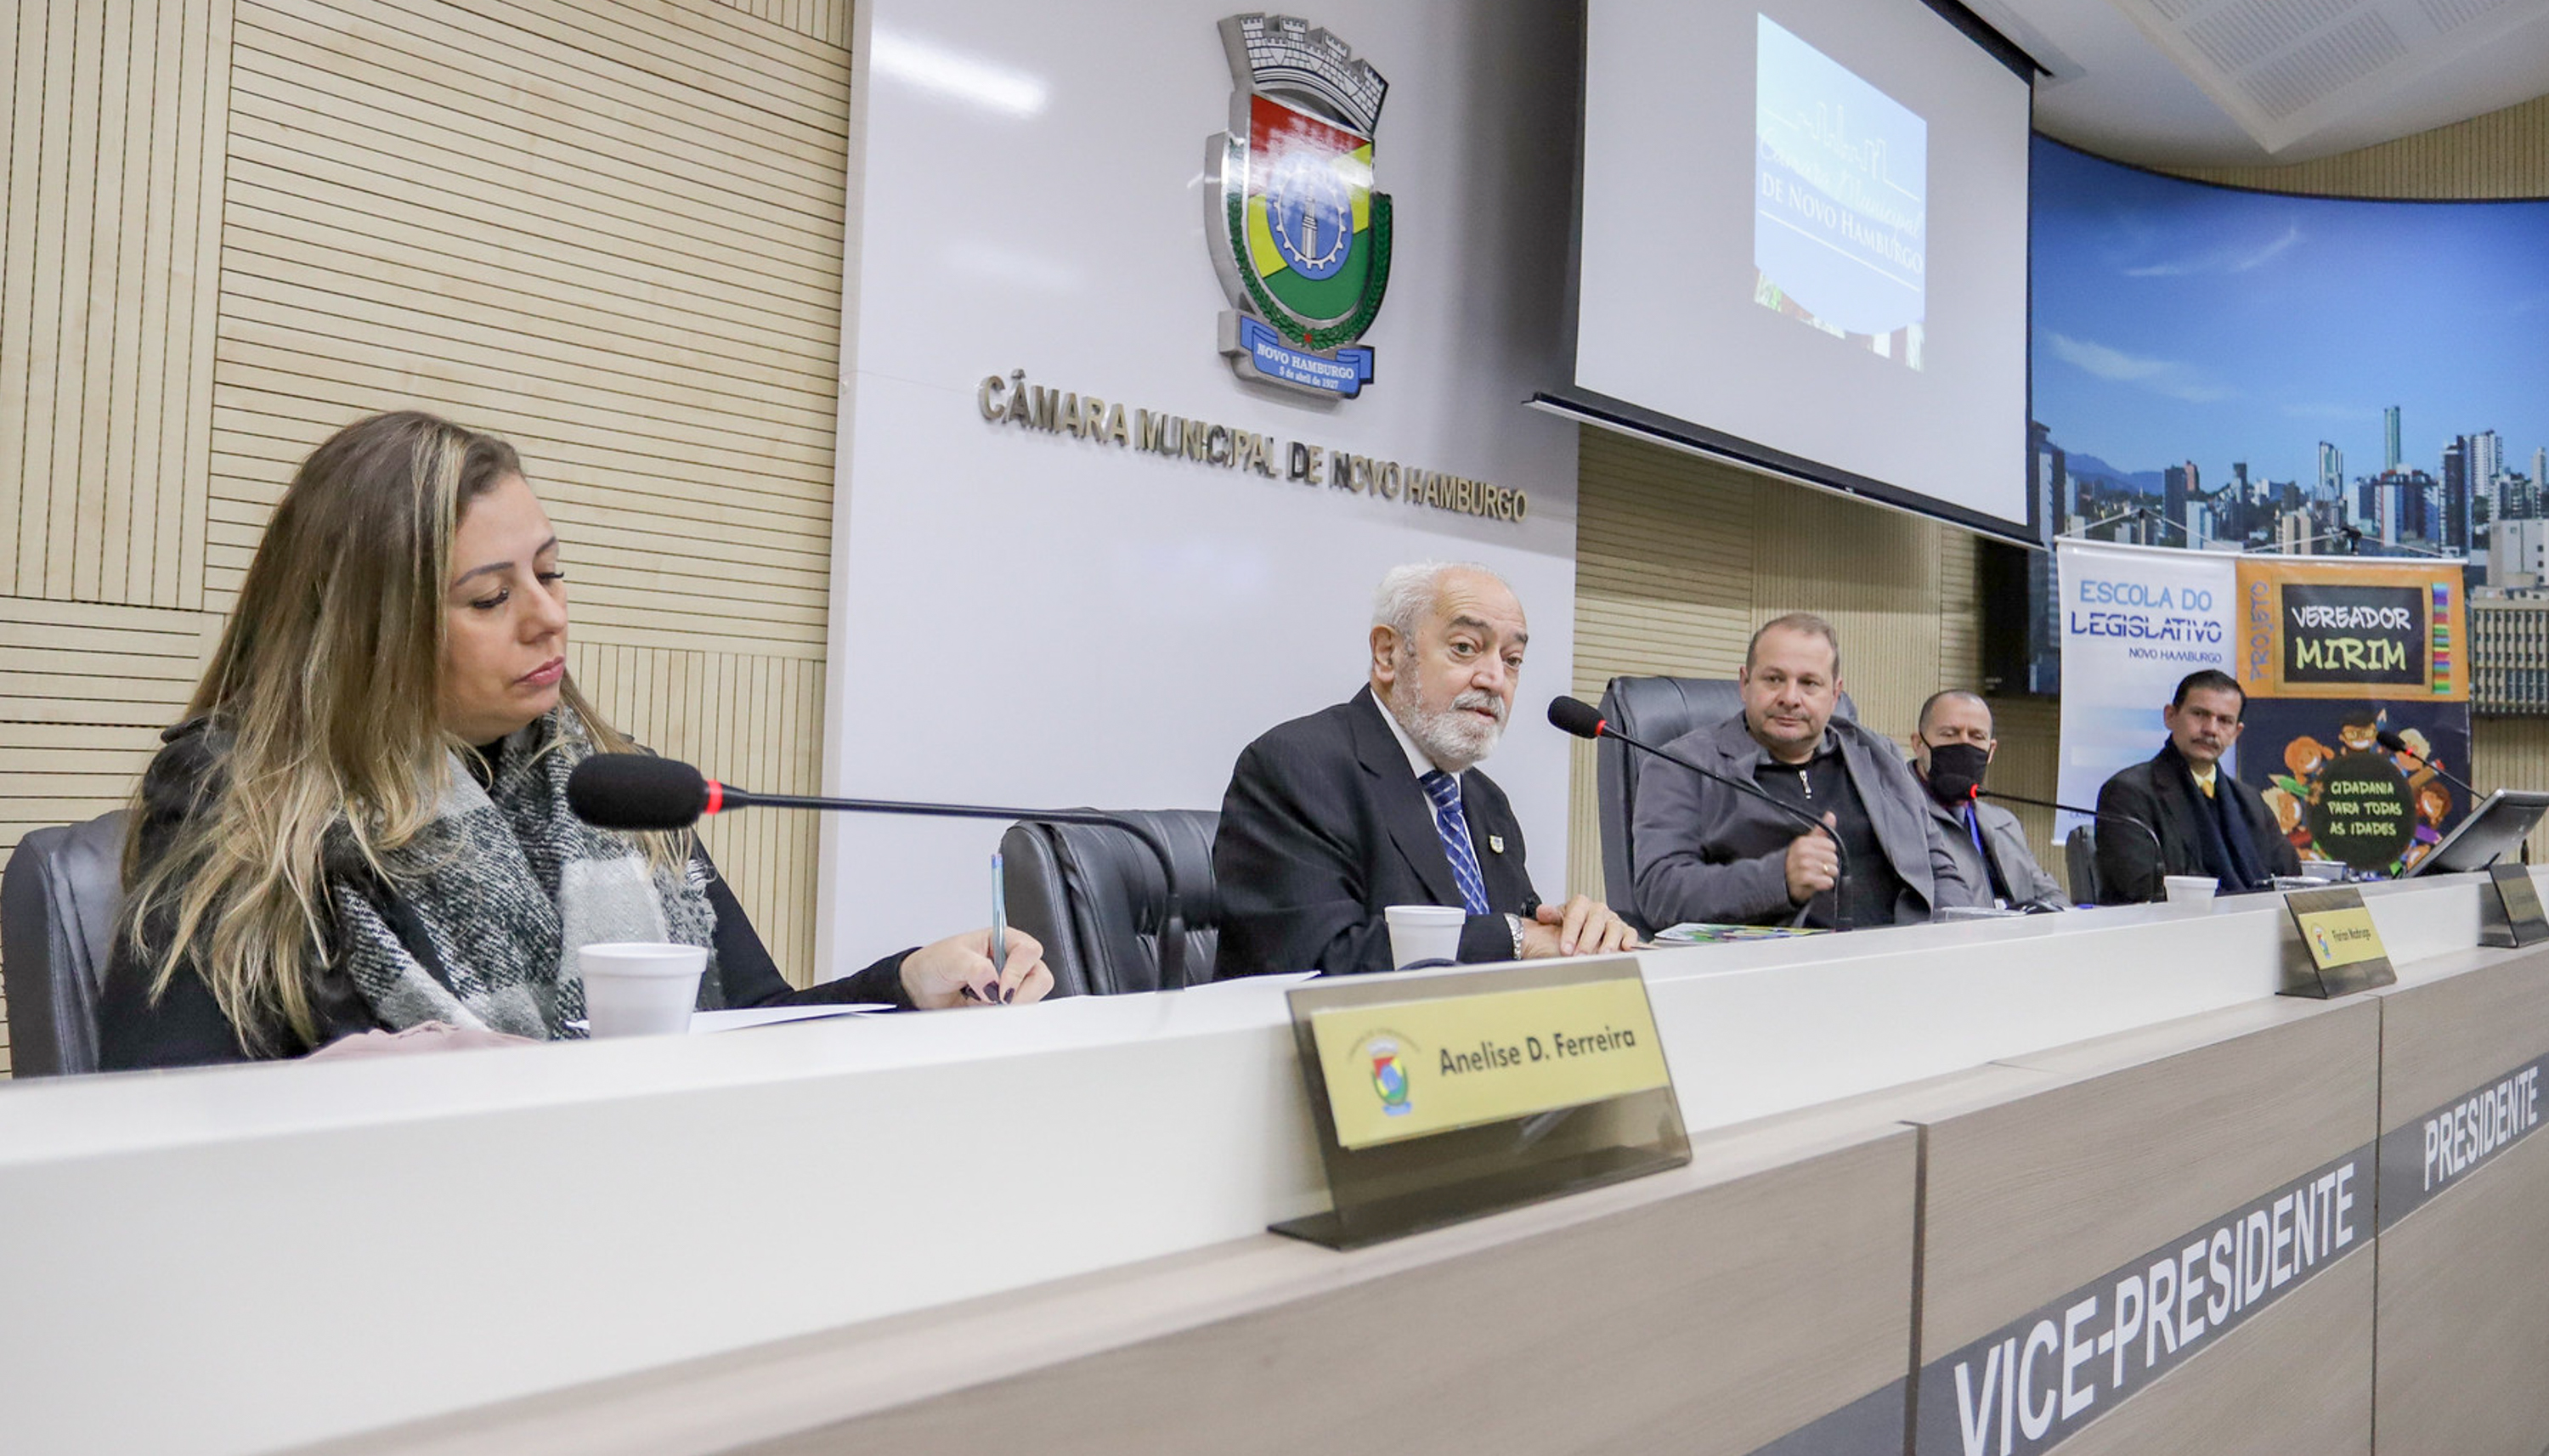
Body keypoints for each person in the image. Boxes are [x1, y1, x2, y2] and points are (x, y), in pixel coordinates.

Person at [99, 410, 1050, 1069]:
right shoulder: (246, 799)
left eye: (552, 575)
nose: (548, 618)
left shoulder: (606, 785)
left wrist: (906, 985)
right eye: (490, 597)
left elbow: (742, 1026)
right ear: (367, 629)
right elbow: (169, 1098)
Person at [1212, 562, 1636, 978]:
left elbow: (1519, 937)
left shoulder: (1486, 801)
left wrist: (1573, 935)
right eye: (1465, 648)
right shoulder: (1297, 769)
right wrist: (1516, 938)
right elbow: (1317, 961)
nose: (1494, 678)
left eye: (1512, 660)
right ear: (1388, 654)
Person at [1630, 612, 1972, 930]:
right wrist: (1779, 878)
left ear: (1835, 694)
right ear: (1745, 683)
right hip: (1771, 974)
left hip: (1901, 964)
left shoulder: (1878, 755)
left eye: (1809, 683)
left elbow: (1939, 870)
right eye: (1774, 679)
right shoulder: (1682, 766)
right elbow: (1660, 892)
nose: (1790, 697)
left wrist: (1949, 942)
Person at [2093, 669, 2302, 904]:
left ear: (2235, 733)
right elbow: (2138, 890)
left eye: (2224, 721)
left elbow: (2291, 879)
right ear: (2170, 716)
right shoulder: (2129, 793)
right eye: (2200, 714)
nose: (2211, 729)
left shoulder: (2250, 802)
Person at [1908, 690, 2065, 911]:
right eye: (1949, 734)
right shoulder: (1898, 813)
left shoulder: (2004, 822)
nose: (1964, 744)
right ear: (1918, 744)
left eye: (1976, 736)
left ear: (1991, 751)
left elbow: (2048, 893)